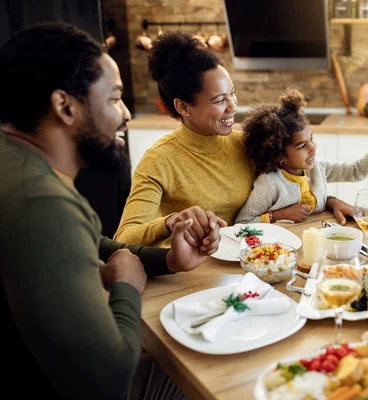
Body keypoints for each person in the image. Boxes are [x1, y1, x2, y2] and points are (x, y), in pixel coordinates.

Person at [0, 22, 221, 399]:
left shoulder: (18, 167)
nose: (126, 114)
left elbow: (95, 243)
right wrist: (126, 286)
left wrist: (167, 261)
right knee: (213, 372)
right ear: (64, 106)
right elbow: (109, 380)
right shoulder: (43, 203)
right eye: (114, 98)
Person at [114, 31, 354, 247]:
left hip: (252, 259)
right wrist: (170, 222)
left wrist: (331, 201)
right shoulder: (159, 160)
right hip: (189, 272)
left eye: (233, 94)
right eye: (219, 100)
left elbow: (292, 182)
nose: (232, 107)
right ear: (183, 106)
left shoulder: (246, 144)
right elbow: (124, 238)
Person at [235, 88, 368, 224]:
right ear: (279, 156)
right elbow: (242, 222)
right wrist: (278, 215)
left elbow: (356, 171)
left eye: (312, 139)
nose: (313, 148)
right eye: (302, 146)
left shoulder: (318, 168)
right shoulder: (269, 183)